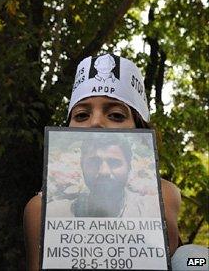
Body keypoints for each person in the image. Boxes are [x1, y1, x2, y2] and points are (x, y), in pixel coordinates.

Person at [23, 53, 208, 270]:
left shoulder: (164, 195)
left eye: (116, 115)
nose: (96, 123)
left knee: (194, 258)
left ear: (139, 131)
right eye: (82, 115)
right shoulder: (41, 210)